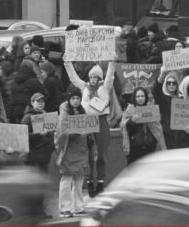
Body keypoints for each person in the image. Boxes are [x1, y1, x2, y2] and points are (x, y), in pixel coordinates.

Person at [64, 56, 117, 197]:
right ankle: (89, 181)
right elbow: (74, 79)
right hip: (87, 122)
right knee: (88, 153)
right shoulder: (84, 87)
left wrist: (112, 61)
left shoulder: (104, 86)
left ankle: (100, 182)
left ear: (99, 78)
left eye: (95, 77)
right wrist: (67, 63)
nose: (93, 79)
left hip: (101, 121)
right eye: (91, 77)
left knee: (101, 154)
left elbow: (110, 76)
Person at [55, 85, 97, 218]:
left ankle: (78, 207)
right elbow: (61, 133)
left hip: (81, 150)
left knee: (79, 180)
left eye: (77, 98)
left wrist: (91, 143)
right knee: (66, 180)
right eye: (73, 98)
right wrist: (74, 132)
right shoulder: (64, 113)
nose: (75, 100)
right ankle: (64, 208)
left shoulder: (83, 111)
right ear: (69, 99)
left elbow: (90, 132)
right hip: (68, 150)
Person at [120, 87, 166, 165]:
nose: (140, 98)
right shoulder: (130, 110)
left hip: (150, 150)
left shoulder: (151, 110)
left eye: (142, 96)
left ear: (146, 97)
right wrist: (132, 121)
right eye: (138, 96)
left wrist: (153, 140)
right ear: (134, 98)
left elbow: (157, 129)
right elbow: (124, 127)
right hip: (134, 151)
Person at [21, 93, 54, 173]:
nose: (41, 103)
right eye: (38, 101)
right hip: (33, 155)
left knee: (42, 182)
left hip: (45, 155)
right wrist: (38, 134)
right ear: (32, 103)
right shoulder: (27, 117)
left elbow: (50, 133)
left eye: (42, 101)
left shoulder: (46, 115)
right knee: (32, 181)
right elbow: (22, 136)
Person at [152, 67, 181, 149]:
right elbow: (156, 91)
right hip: (167, 136)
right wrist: (161, 76)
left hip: (180, 137)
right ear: (165, 84)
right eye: (169, 83)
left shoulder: (181, 99)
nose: (171, 85)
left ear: (177, 84)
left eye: (174, 83)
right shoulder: (163, 98)